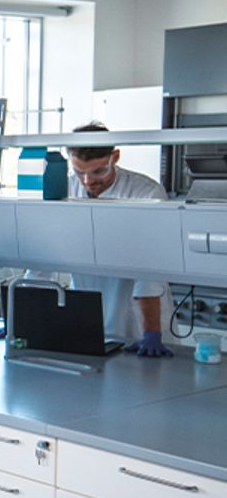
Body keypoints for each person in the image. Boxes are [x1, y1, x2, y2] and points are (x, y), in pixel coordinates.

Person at [65, 122, 173, 357]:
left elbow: (150, 269)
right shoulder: (64, 189)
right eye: (79, 172)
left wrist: (151, 332)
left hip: (139, 321)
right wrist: (16, 316)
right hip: (85, 313)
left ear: (115, 156)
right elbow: (43, 254)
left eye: (98, 171)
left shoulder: (146, 193)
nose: (87, 181)